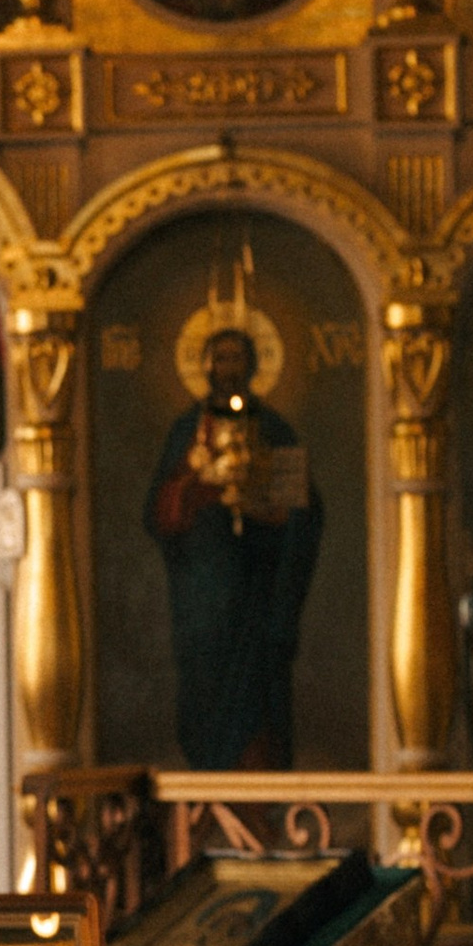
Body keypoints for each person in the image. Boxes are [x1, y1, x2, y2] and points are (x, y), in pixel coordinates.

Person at [145, 321, 324, 769]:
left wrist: (274, 509)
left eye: (237, 358)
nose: (229, 368)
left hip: (260, 592)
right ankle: (208, 787)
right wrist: (195, 486)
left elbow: (304, 511)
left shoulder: (275, 431)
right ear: (206, 366)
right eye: (221, 358)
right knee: (206, 689)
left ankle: (255, 802)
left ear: (253, 366)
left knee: (259, 692)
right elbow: (160, 512)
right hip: (204, 597)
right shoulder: (188, 431)